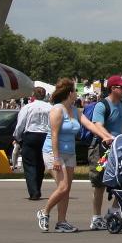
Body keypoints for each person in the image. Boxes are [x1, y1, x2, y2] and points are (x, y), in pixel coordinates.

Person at [38, 78, 113, 233]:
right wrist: (57, 158)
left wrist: (105, 136)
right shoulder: (57, 110)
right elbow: (54, 135)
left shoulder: (74, 110)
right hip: (53, 152)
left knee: (66, 189)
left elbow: (90, 125)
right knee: (63, 187)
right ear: (70, 93)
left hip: (70, 153)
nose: (77, 94)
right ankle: (44, 212)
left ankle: (62, 222)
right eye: (75, 91)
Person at [88, 75, 122, 230]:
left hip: (119, 148)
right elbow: (97, 125)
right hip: (102, 149)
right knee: (99, 183)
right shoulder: (102, 105)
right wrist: (107, 137)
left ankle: (113, 213)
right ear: (113, 88)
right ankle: (96, 217)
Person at [13, 86, 51, 200]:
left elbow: (20, 123)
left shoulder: (28, 107)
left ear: (33, 95)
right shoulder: (50, 107)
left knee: (30, 164)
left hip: (31, 135)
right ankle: (37, 188)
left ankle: (34, 191)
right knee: (40, 164)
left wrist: (17, 136)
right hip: (45, 136)